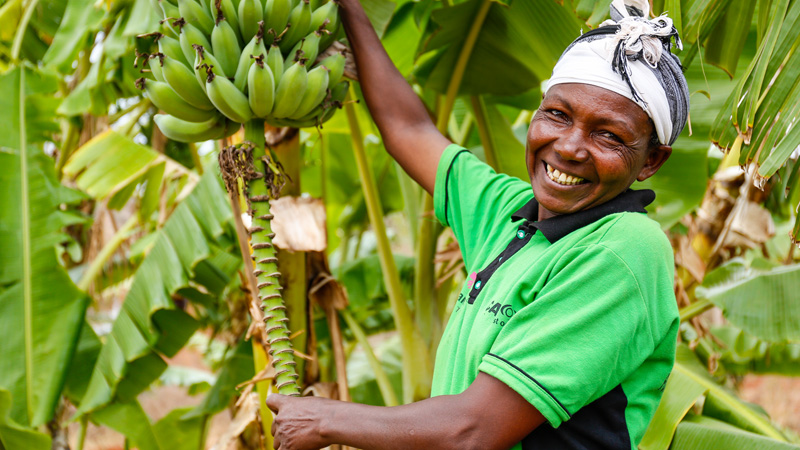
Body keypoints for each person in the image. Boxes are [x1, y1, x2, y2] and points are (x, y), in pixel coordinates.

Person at [266, 0, 688, 448]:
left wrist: (325, 419)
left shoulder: (622, 249)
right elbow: (408, 129)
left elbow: (473, 429)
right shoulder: (509, 211)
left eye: (608, 135)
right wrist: (351, 10)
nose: (569, 148)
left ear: (651, 161)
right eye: (557, 115)